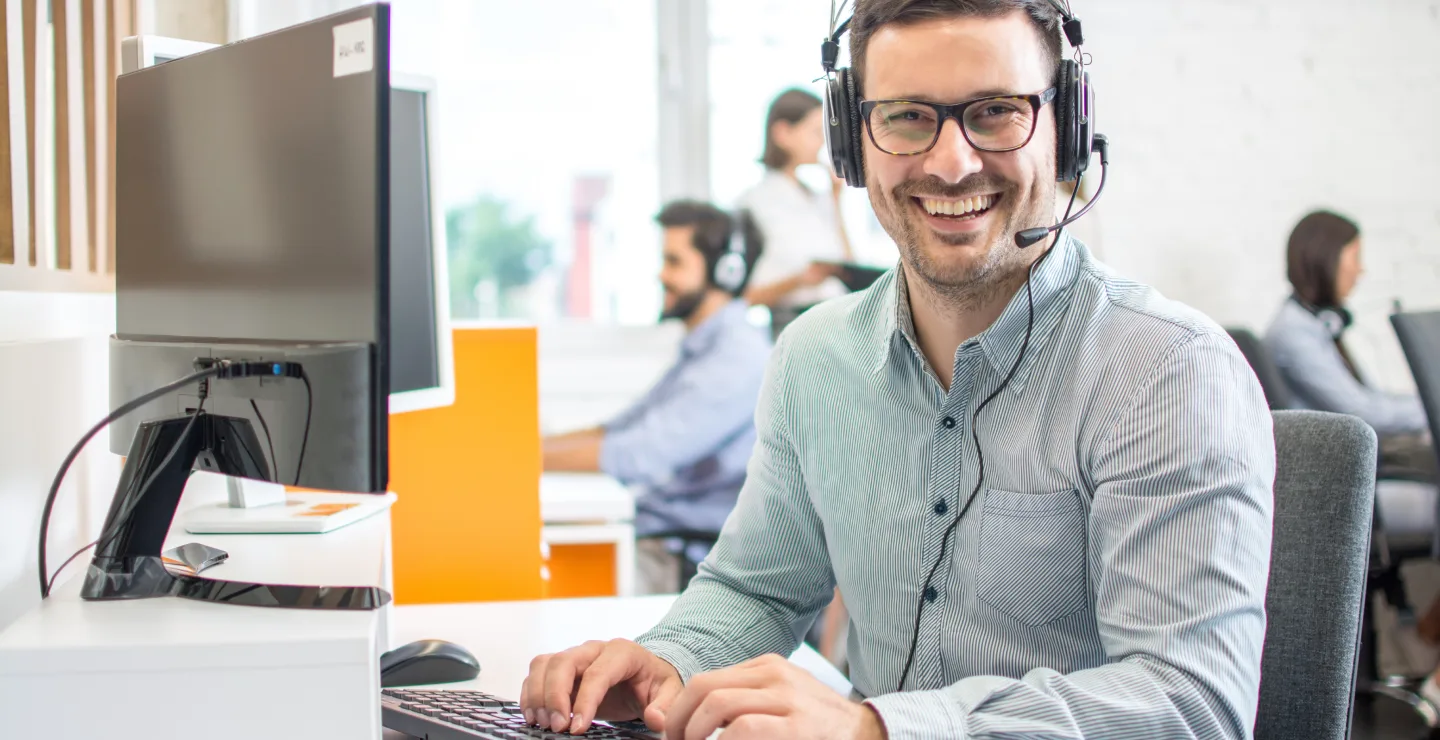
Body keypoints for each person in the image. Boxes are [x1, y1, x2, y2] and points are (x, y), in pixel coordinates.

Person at [523, 3, 1274, 739]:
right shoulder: (814, 360)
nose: (951, 163)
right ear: (854, 142)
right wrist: (667, 661)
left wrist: (878, 729)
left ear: (1066, 128)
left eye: (996, 111)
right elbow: (757, 589)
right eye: (907, 116)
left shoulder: (1166, 373)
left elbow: (1191, 706)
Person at [542, 201, 771, 595]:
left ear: (725, 272)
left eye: (674, 262)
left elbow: (640, 453)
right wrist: (532, 449)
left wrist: (518, 461)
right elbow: (621, 428)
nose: (661, 275)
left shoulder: (738, 356)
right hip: (657, 534)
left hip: (685, 557)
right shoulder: (706, 346)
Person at [1263, 209, 1435, 481]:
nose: (1360, 269)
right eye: (1355, 257)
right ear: (1327, 259)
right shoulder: (1293, 333)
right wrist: (1430, 407)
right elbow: (1364, 412)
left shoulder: (1319, 324)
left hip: (1363, 460)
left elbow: (1372, 399)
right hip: (1341, 475)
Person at [738, 88, 855, 335]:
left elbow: (847, 264)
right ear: (783, 133)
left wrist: (836, 201)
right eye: (815, 132)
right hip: (792, 326)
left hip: (836, 322)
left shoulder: (816, 198)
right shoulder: (754, 204)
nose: (823, 142)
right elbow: (741, 297)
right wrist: (800, 280)